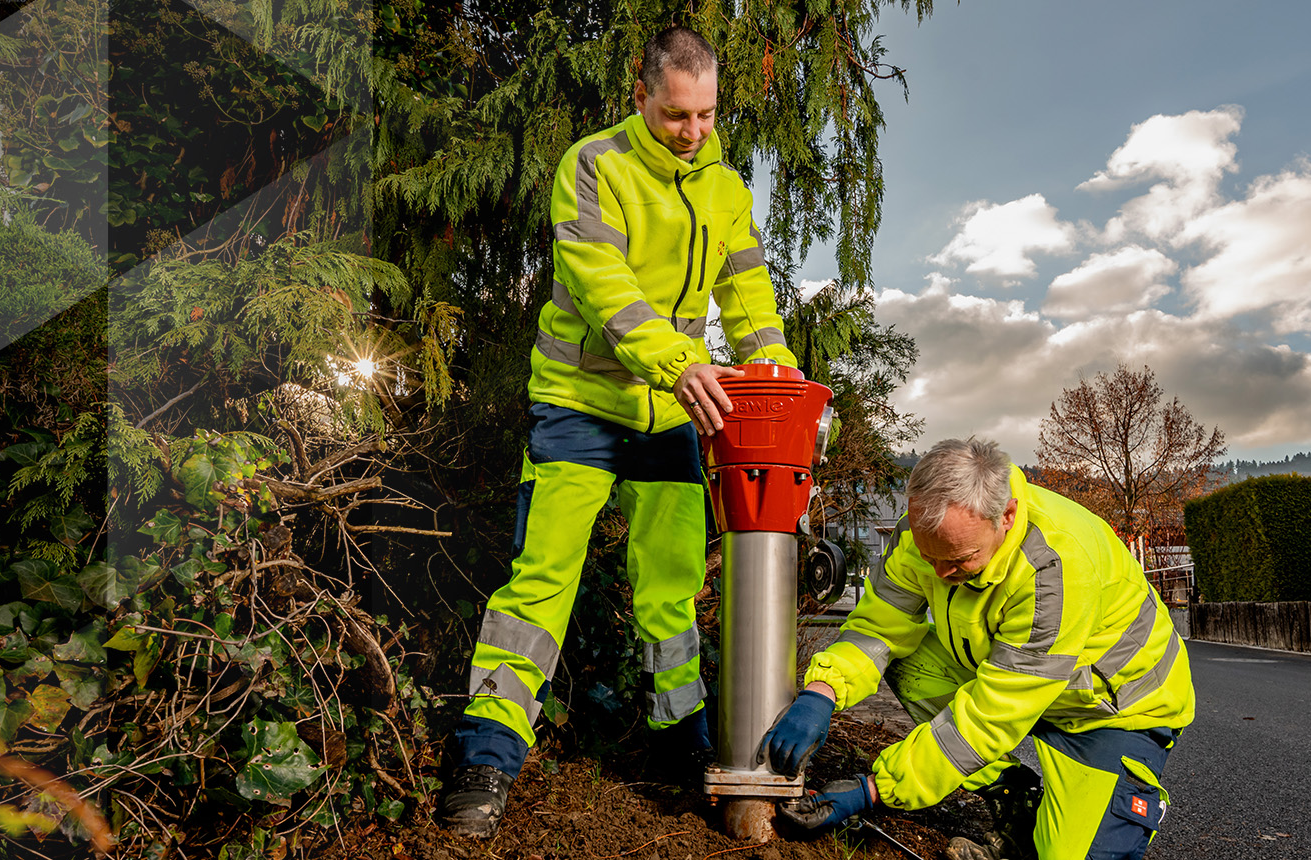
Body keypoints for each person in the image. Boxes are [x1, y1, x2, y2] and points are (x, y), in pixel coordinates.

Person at [435, 25, 798, 839]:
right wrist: (677, 361)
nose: (694, 132)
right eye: (677, 115)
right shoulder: (594, 165)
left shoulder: (726, 188)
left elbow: (748, 300)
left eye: (706, 115)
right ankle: (487, 758)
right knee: (542, 584)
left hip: (675, 413)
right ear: (640, 98)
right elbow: (605, 288)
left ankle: (681, 745)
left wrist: (776, 377)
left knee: (672, 593)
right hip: (579, 405)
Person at [761, 438, 1194, 860]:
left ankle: (1125, 795)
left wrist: (875, 789)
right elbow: (879, 628)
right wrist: (822, 691)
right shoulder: (921, 538)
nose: (942, 573)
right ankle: (1012, 795)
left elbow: (992, 714)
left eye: (960, 559)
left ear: (1006, 516)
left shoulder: (1055, 568)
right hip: (1019, 684)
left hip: (1110, 711)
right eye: (931, 559)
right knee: (905, 658)